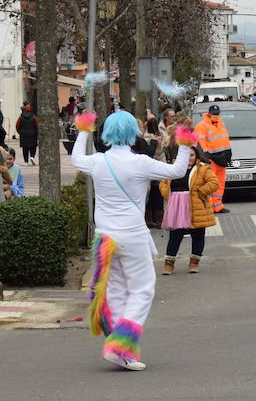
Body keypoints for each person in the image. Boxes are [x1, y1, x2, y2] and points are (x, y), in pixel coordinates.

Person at [73, 109, 193, 370]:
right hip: (132, 235)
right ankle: (121, 346)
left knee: (116, 289)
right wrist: (184, 143)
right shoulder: (140, 163)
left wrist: (83, 130)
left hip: (104, 235)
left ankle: (117, 344)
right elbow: (177, 171)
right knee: (142, 289)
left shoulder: (98, 161)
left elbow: (76, 159)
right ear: (133, 133)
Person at [160, 146, 218, 274]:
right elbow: (163, 182)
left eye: (191, 155)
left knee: (198, 234)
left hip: (196, 206)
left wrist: (201, 192)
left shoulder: (202, 169)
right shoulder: (173, 168)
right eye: (186, 156)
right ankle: (169, 263)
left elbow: (214, 182)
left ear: (196, 156)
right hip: (177, 206)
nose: (188, 159)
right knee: (175, 235)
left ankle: (194, 262)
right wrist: (167, 194)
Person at [195, 103, 232, 214]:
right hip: (211, 159)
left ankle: (218, 205)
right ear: (209, 114)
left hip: (221, 158)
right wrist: (206, 157)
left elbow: (225, 139)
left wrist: (228, 153)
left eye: (217, 114)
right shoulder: (202, 125)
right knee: (210, 183)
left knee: (220, 183)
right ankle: (209, 206)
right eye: (214, 114)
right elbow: (200, 142)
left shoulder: (221, 124)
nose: (216, 115)